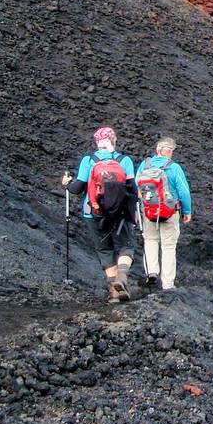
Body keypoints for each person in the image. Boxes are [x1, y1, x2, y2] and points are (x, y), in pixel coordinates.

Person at [61, 127, 137, 303]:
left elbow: (78, 188)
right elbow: (132, 188)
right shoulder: (124, 160)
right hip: (120, 213)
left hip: (93, 213)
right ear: (114, 140)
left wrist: (67, 183)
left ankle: (114, 294)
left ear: (96, 142)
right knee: (126, 247)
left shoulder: (89, 160)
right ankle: (121, 279)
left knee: (105, 249)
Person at [136, 137, 192, 291]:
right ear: (170, 151)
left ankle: (152, 272)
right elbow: (183, 191)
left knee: (150, 240)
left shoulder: (144, 165)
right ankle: (168, 284)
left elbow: (136, 187)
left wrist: (139, 209)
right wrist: (187, 211)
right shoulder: (174, 168)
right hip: (170, 211)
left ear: (157, 150)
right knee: (168, 246)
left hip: (148, 211)